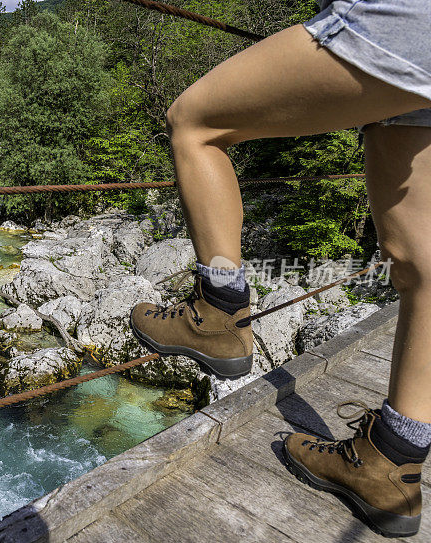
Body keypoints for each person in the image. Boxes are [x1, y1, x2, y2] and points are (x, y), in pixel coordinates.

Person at [129, 0, 431, 537]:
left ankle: (218, 314)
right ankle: (392, 459)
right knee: (420, 263)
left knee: (194, 122)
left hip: (400, 24)